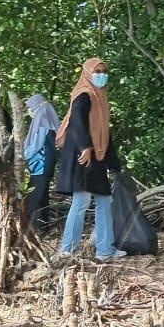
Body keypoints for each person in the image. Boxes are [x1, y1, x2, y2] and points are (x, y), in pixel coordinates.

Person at [56, 58, 125, 261]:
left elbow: (104, 132)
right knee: (82, 201)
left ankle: (105, 249)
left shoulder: (100, 98)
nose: (101, 75)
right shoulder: (84, 95)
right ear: (87, 73)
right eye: (97, 71)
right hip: (82, 156)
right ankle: (68, 249)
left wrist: (113, 163)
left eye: (104, 71)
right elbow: (76, 122)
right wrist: (84, 146)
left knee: (104, 200)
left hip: (96, 156)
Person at [22, 93, 59, 232]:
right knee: (42, 196)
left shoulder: (42, 119)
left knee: (35, 197)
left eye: (30, 107)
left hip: (40, 165)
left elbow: (36, 145)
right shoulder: (46, 118)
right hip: (44, 165)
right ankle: (43, 227)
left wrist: (22, 156)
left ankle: (33, 228)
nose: (30, 110)